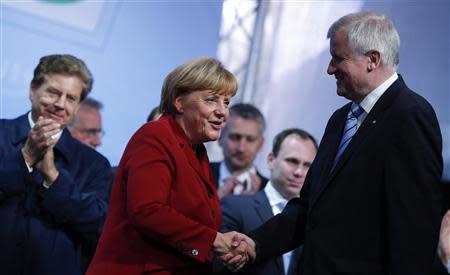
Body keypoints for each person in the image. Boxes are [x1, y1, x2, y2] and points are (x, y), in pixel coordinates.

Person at [223, 12, 443, 275]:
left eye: (338, 58)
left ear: (372, 59)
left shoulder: (409, 115)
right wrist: (257, 243)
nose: (329, 69)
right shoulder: (341, 119)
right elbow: (310, 207)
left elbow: (413, 229)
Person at [87, 57, 250, 275]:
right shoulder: (155, 136)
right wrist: (213, 240)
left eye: (227, 102)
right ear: (179, 102)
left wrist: (227, 245)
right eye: (211, 100)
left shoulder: (197, 150)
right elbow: (147, 210)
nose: (223, 112)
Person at [0, 54, 112, 275]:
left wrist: (54, 178)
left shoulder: (95, 165)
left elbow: (99, 227)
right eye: (53, 93)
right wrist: (27, 157)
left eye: (71, 98)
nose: (60, 105)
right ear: (33, 90)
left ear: (79, 105)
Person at [216, 128, 317, 275]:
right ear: (271, 160)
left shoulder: (315, 218)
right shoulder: (234, 207)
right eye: (292, 161)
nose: (299, 172)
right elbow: (220, 266)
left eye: (308, 165)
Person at [211, 103, 268, 198]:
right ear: (220, 138)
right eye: (235, 138)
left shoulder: (269, 192)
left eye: (250, 139)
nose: (241, 148)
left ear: (260, 144)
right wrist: (215, 202)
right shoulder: (196, 176)